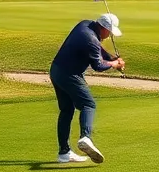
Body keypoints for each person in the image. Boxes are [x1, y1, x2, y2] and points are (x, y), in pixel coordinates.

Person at [49, 13, 126, 164]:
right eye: (109, 31)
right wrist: (114, 64)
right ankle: (86, 137)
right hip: (69, 75)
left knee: (67, 110)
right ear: (103, 28)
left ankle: (64, 153)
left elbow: (98, 48)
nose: (109, 34)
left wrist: (111, 58)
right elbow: (98, 65)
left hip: (56, 71)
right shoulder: (91, 40)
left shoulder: (85, 24)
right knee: (88, 104)